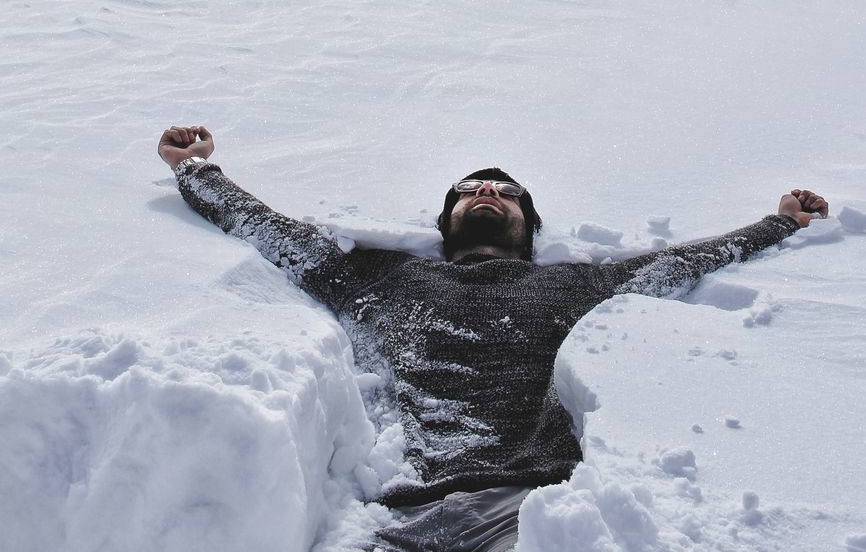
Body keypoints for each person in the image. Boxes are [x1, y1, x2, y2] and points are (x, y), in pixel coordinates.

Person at [157, 126, 828, 552]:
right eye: (471, 190)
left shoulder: (579, 284)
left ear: (526, 226)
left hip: (534, 507)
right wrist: (195, 170)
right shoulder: (386, 276)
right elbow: (277, 236)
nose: (487, 191)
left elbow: (683, 263)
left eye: (504, 192)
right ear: (447, 222)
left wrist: (780, 224)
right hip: (410, 515)